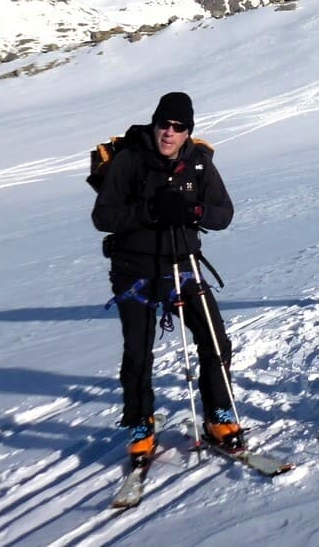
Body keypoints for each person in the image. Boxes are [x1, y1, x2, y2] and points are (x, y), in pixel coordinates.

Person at [92, 92, 238, 461]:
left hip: (182, 266)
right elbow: (103, 217)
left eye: (179, 128)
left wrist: (193, 210)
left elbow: (223, 214)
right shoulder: (129, 161)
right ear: (154, 124)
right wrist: (151, 211)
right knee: (139, 352)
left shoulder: (199, 163)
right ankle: (141, 423)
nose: (169, 133)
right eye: (164, 125)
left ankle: (218, 414)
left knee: (215, 341)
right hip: (134, 271)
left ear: (188, 132)